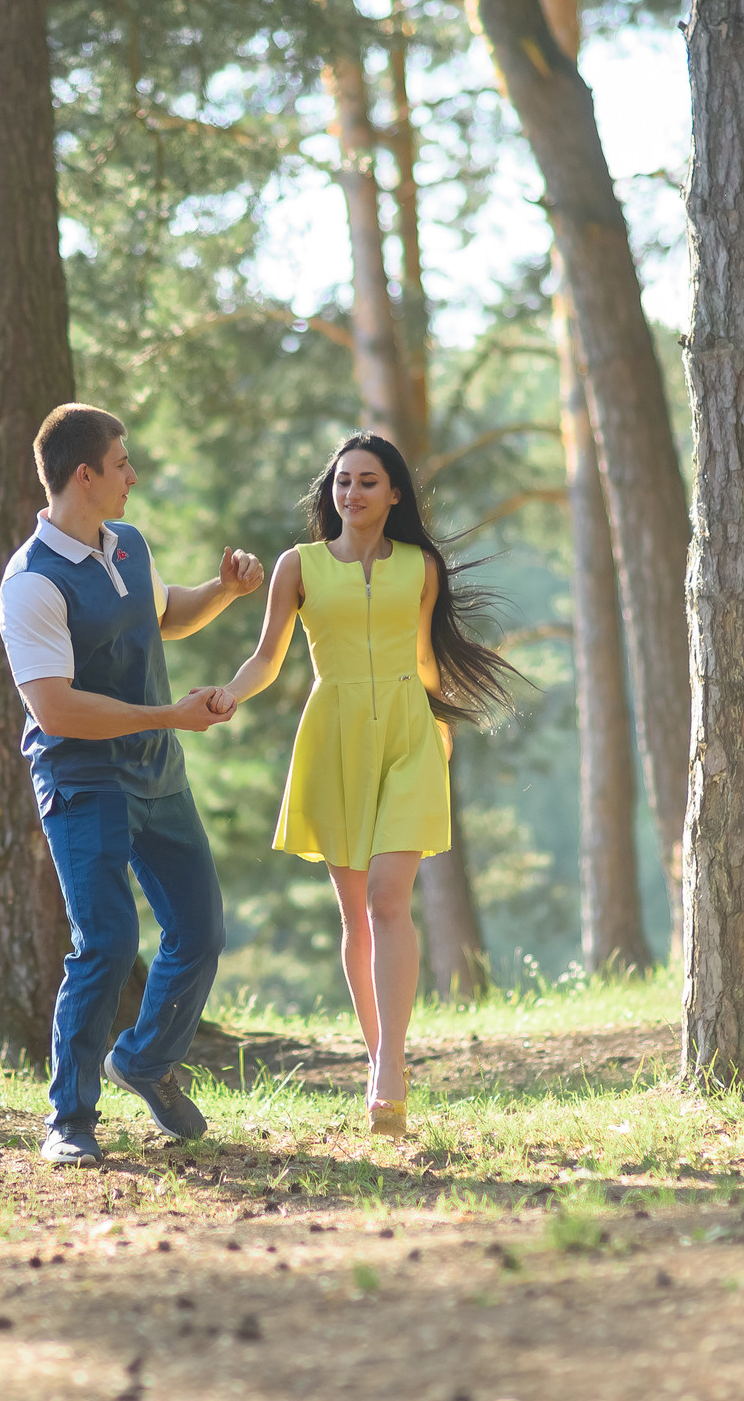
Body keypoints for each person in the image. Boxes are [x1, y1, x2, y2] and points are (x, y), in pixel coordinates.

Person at [212, 432, 517, 1136]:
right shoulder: (299, 566)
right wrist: (230, 694)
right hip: (335, 736)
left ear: (395, 494)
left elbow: (427, 660)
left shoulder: (420, 567)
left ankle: (390, 1065)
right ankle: (380, 1053)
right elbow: (265, 659)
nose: (351, 493)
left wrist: (441, 732)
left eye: (367, 481)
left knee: (388, 899)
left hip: (410, 737)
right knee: (358, 914)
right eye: (342, 481)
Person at [0, 403, 265, 1167]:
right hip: (84, 781)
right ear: (85, 474)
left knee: (201, 931)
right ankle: (69, 1120)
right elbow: (56, 706)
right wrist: (168, 715)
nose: (133, 476)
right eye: (122, 464)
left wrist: (220, 591)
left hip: (158, 772)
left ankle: (144, 1059)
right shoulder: (31, 584)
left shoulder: (128, 545)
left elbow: (162, 615)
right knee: (108, 941)